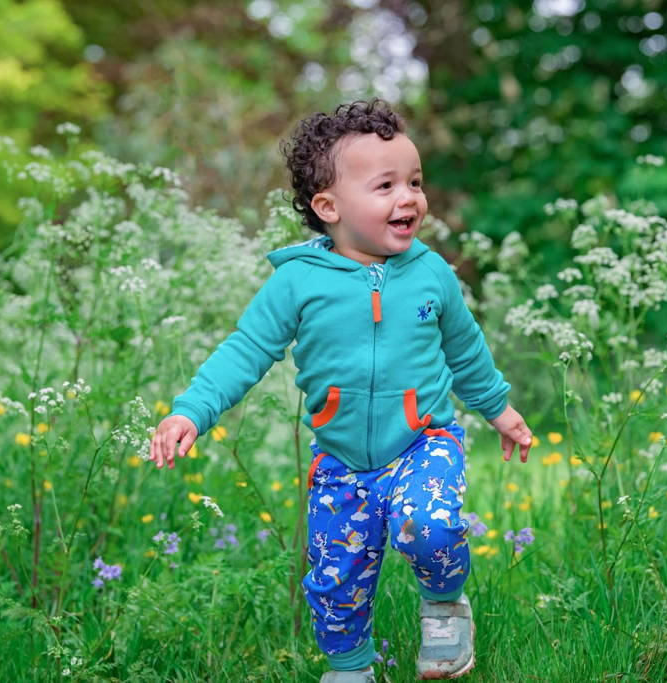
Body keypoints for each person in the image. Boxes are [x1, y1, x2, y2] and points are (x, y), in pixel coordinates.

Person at [149, 98, 532, 681]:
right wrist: (191, 412)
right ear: (328, 206)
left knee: (430, 526)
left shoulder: (432, 274)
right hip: (342, 461)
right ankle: (351, 667)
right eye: (386, 186)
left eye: (415, 182)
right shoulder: (297, 282)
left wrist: (499, 410)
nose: (409, 198)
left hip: (423, 441)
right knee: (334, 583)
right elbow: (246, 350)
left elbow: (466, 351)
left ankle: (445, 604)